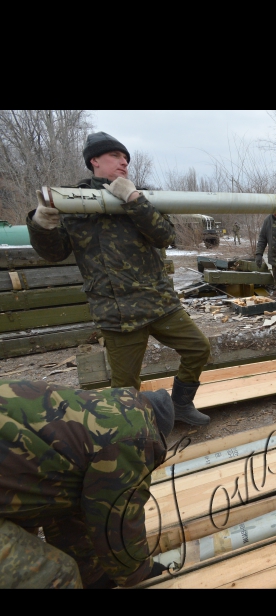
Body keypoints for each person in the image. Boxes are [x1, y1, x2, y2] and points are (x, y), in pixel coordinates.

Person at [27, 132, 211, 426]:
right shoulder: (75, 201)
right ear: (94, 161)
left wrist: (133, 199)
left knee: (199, 348)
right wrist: (40, 225)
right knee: (125, 389)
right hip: (118, 313)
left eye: (126, 158)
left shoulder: (143, 197)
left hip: (159, 303)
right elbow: (55, 253)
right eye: (115, 156)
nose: (123, 162)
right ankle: (130, 437)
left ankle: (181, 405)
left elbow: (165, 237)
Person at [0, 380, 175, 588]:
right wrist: (139, 573)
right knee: (60, 574)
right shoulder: (133, 437)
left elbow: (64, 508)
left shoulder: (100, 408)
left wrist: (93, 576)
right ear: (159, 433)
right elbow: (117, 519)